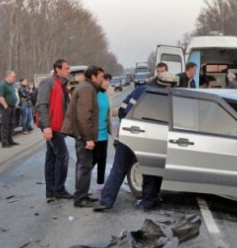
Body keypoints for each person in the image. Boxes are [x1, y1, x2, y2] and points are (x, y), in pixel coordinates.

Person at [93, 72, 179, 212]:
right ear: (167, 85)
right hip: (152, 136)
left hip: (130, 132)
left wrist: (127, 123)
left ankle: (106, 201)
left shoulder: (140, 90)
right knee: (151, 169)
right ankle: (149, 201)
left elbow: (123, 110)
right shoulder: (166, 96)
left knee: (119, 168)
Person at [61, 65, 105, 208]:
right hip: (83, 135)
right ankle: (80, 198)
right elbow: (84, 117)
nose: (102, 80)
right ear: (93, 77)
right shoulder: (87, 89)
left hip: (82, 134)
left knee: (84, 165)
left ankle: (83, 194)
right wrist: (89, 139)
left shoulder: (87, 87)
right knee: (84, 166)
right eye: (100, 77)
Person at [35, 59, 72, 202]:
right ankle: (59, 190)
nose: (69, 70)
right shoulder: (48, 82)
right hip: (52, 127)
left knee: (51, 158)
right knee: (63, 156)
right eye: (66, 68)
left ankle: (51, 191)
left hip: (57, 127)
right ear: (58, 69)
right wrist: (46, 126)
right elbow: (41, 105)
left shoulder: (62, 85)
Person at [92, 73, 113, 191]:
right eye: (105, 80)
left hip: (104, 132)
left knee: (102, 159)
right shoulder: (94, 93)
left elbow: (109, 111)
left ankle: (100, 184)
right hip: (94, 132)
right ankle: (81, 183)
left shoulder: (107, 93)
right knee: (93, 159)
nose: (107, 83)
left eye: (109, 80)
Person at [0, 70, 19, 148]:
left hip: (12, 106)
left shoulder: (11, 85)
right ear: (8, 76)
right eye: (13, 77)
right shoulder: (3, 85)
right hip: (5, 107)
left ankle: (10, 140)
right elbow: (0, 97)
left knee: (12, 124)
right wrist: (6, 106)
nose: (14, 78)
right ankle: (5, 142)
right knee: (5, 125)